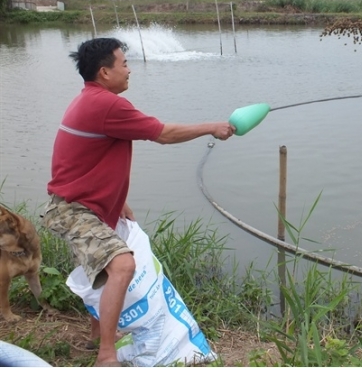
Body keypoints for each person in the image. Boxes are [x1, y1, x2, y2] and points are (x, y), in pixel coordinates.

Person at [42, 38, 235, 367]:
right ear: (104, 72)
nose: (129, 69)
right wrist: (211, 127)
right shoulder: (107, 105)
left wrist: (121, 201)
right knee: (123, 265)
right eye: (124, 63)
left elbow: (86, 161)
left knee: (100, 270)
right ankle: (106, 355)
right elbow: (163, 134)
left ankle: (94, 337)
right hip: (75, 210)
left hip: (83, 204)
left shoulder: (88, 99)